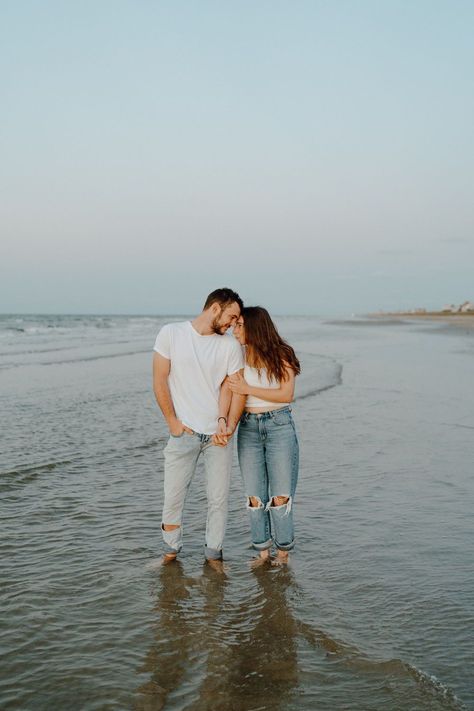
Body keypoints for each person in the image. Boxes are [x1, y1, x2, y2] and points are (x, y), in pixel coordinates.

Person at [153, 288, 246, 566]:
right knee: (173, 497)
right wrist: (173, 423)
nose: (232, 324)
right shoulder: (171, 334)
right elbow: (159, 380)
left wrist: (229, 427)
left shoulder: (229, 346)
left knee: (218, 500)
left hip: (218, 437)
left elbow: (237, 390)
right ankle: (170, 552)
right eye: (231, 317)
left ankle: (213, 556)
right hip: (184, 434)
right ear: (215, 308)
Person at [227, 306, 300, 566]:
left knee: (280, 496)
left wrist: (248, 387)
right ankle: (262, 553)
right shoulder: (237, 356)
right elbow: (230, 393)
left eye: (240, 325)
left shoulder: (282, 354)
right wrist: (225, 425)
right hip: (248, 428)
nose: (234, 330)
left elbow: (286, 394)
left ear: (255, 327)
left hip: (279, 424)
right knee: (255, 497)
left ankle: (283, 553)